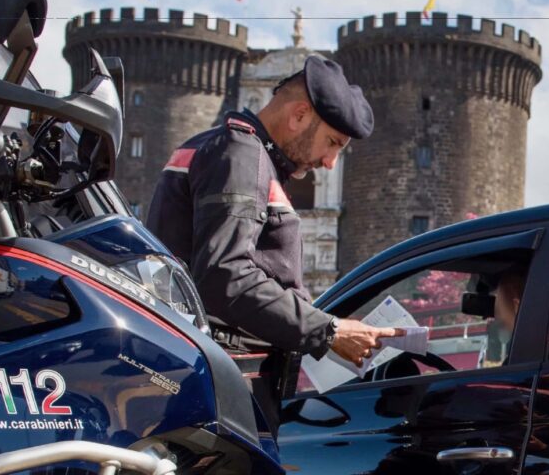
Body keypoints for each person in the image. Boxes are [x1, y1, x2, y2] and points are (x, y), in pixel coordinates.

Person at [147, 56, 402, 431]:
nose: (331, 162)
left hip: (214, 379)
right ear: (299, 115)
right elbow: (226, 276)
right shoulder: (242, 155)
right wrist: (328, 330)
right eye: (332, 142)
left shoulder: (230, 149)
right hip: (226, 386)